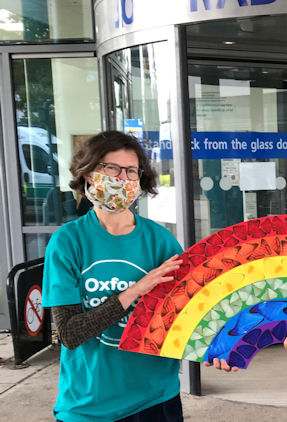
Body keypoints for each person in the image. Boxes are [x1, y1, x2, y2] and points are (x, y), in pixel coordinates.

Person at [43, 131, 185, 421]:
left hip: (155, 399)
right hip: (89, 404)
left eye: (131, 170)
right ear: (89, 174)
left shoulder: (161, 242)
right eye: (111, 168)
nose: (122, 178)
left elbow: (183, 318)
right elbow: (70, 334)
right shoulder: (68, 242)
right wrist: (134, 291)